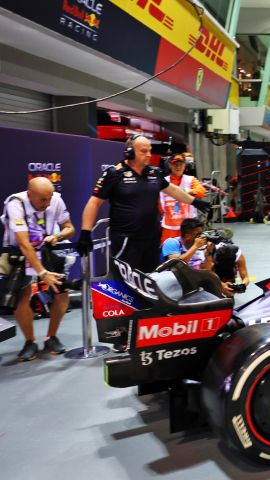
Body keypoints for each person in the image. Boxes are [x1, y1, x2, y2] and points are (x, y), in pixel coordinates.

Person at [76, 135, 211, 274]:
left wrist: (195, 201)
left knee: (150, 279)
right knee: (125, 281)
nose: (149, 155)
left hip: (151, 239)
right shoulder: (114, 174)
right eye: (144, 151)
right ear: (129, 152)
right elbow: (94, 203)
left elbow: (172, 190)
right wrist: (85, 233)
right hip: (126, 240)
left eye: (150, 150)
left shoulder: (154, 173)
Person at [2, 178, 75, 361]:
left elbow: (69, 228)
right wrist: (42, 273)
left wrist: (57, 235)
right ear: (29, 194)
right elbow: (24, 243)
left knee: (62, 293)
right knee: (23, 298)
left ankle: (51, 337)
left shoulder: (55, 199)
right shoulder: (15, 203)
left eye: (49, 198)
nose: (47, 203)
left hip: (48, 250)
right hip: (20, 252)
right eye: (42, 199)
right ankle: (30, 341)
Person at [158, 153, 207, 244]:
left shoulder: (190, 180)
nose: (178, 167)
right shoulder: (163, 181)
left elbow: (201, 191)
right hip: (169, 227)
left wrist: (186, 192)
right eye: (175, 164)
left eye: (181, 164)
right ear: (170, 165)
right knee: (168, 254)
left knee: (190, 253)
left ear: (185, 165)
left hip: (188, 228)